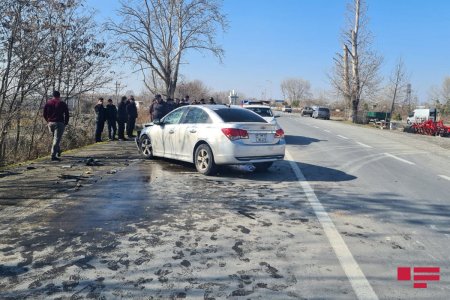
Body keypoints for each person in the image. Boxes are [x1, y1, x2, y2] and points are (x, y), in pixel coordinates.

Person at [43, 90, 69, 161]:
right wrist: (65, 123)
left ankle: (58, 151)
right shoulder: (62, 103)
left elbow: (44, 114)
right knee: (56, 139)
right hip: (59, 123)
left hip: (50, 123)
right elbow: (67, 114)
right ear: (59, 96)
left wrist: (48, 121)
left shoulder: (48, 103)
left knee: (55, 138)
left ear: (53, 96)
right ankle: (53, 155)